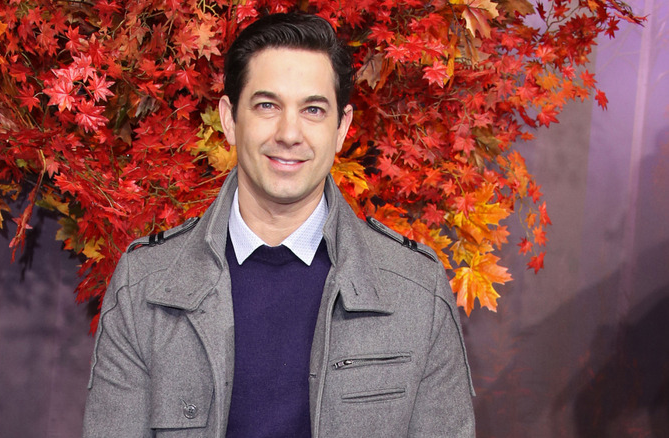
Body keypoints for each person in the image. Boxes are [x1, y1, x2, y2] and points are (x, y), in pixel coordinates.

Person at [83, 12, 475, 437]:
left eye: (312, 109)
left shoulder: (416, 290)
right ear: (230, 120)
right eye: (267, 105)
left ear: (341, 128)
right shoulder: (145, 286)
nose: (289, 133)